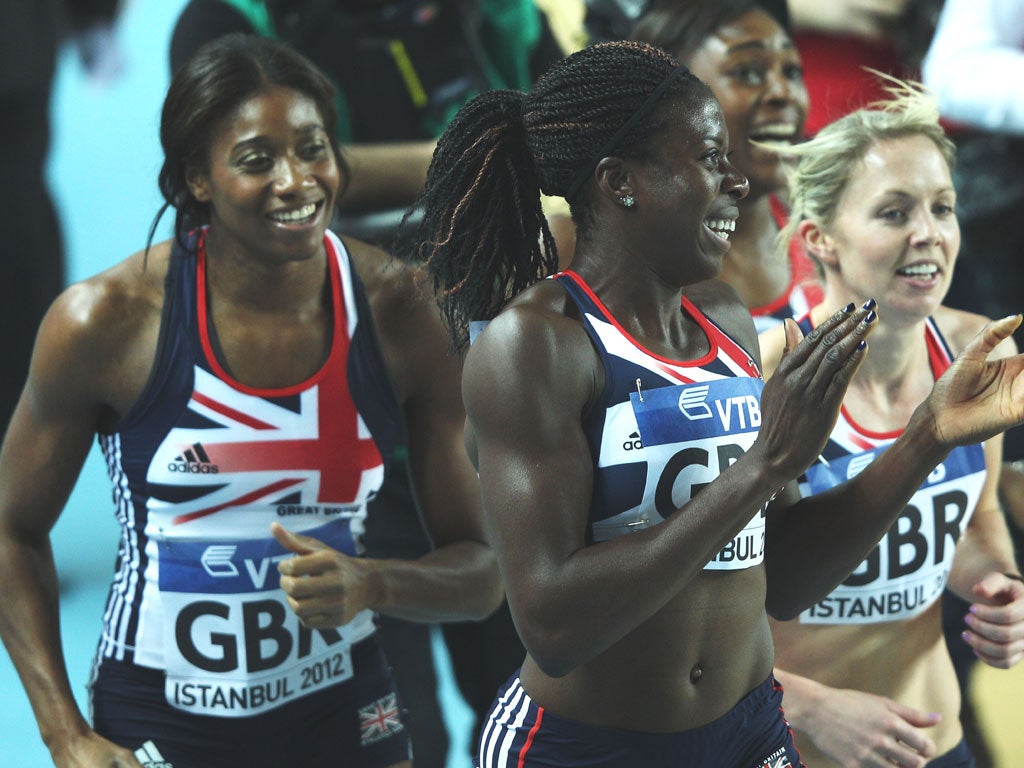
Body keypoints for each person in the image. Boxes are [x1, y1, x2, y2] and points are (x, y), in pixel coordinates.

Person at [400, 39, 1024, 767]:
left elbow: (786, 578)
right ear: (619, 181)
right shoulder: (534, 345)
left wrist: (926, 439)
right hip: (588, 747)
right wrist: (759, 469)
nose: (736, 181)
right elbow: (553, 625)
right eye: (706, 157)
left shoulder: (724, 320)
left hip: (747, 729)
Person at [0, 33, 503, 768]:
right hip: (161, 728)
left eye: (311, 148)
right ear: (196, 181)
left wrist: (373, 582)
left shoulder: (403, 310)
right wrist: (63, 733)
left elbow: (483, 573)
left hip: (346, 711)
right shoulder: (105, 323)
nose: (296, 181)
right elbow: (11, 532)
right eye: (256, 159)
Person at [759, 78, 1024, 768]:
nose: (929, 234)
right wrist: (811, 706)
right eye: (894, 211)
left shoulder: (977, 348)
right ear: (820, 240)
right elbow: (682, 620)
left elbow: (975, 518)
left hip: (935, 743)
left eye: (943, 207)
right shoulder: (766, 371)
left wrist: (997, 585)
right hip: (801, 747)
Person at [632, 0, 822, 333]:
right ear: (664, 98)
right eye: (748, 72)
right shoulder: (589, 253)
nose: (783, 93)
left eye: (791, 71)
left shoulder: (829, 236)